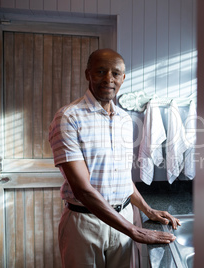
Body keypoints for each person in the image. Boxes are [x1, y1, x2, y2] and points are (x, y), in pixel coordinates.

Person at [49, 48, 180, 267]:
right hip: (86, 223)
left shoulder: (124, 119)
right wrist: (135, 231)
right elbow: (82, 189)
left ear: (123, 78)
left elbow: (121, 177)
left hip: (124, 218)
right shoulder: (68, 117)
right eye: (101, 71)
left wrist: (147, 210)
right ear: (88, 74)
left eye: (115, 73)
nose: (108, 79)